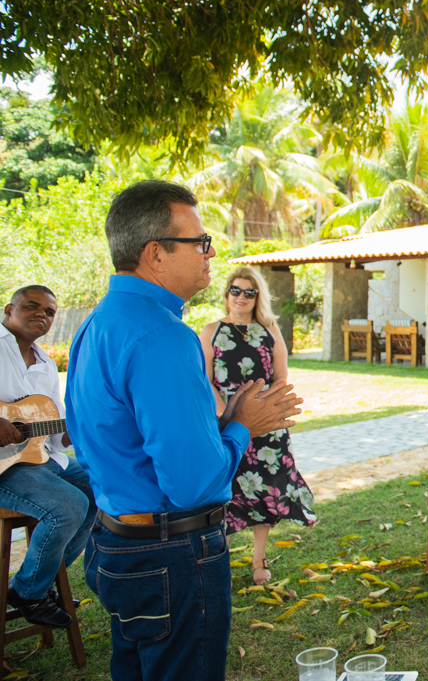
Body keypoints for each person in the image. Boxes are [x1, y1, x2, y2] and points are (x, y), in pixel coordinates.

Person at [65, 180, 303, 681]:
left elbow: (105, 436)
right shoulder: (163, 336)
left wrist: (218, 420)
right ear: (155, 253)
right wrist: (241, 425)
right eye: (199, 241)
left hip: (114, 541)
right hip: (169, 553)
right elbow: (194, 485)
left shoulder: (99, 323)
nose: (210, 252)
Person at [200, 267, 316, 585]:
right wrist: (229, 414)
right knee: (223, 489)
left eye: (249, 292)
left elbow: (281, 377)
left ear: (257, 297)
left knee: (264, 487)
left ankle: (258, 557)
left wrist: (266, 413)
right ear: (227, 293)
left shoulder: (269, 330)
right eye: (236, 290)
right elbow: (203, 379)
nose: (241, 297)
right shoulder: (211, 331)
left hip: (266, 426)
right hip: (225, 423)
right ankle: (217, 556)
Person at [0, 285, 96, 628]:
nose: (42, 314)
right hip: (4, 470)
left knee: (100, 484)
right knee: (68, 505)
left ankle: (41, 582)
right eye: (32, 306)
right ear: (10, 309)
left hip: (40, 459)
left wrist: (79, 426)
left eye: (50, 311)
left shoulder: (45, 362)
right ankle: (28, 592)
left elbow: (53, 434)